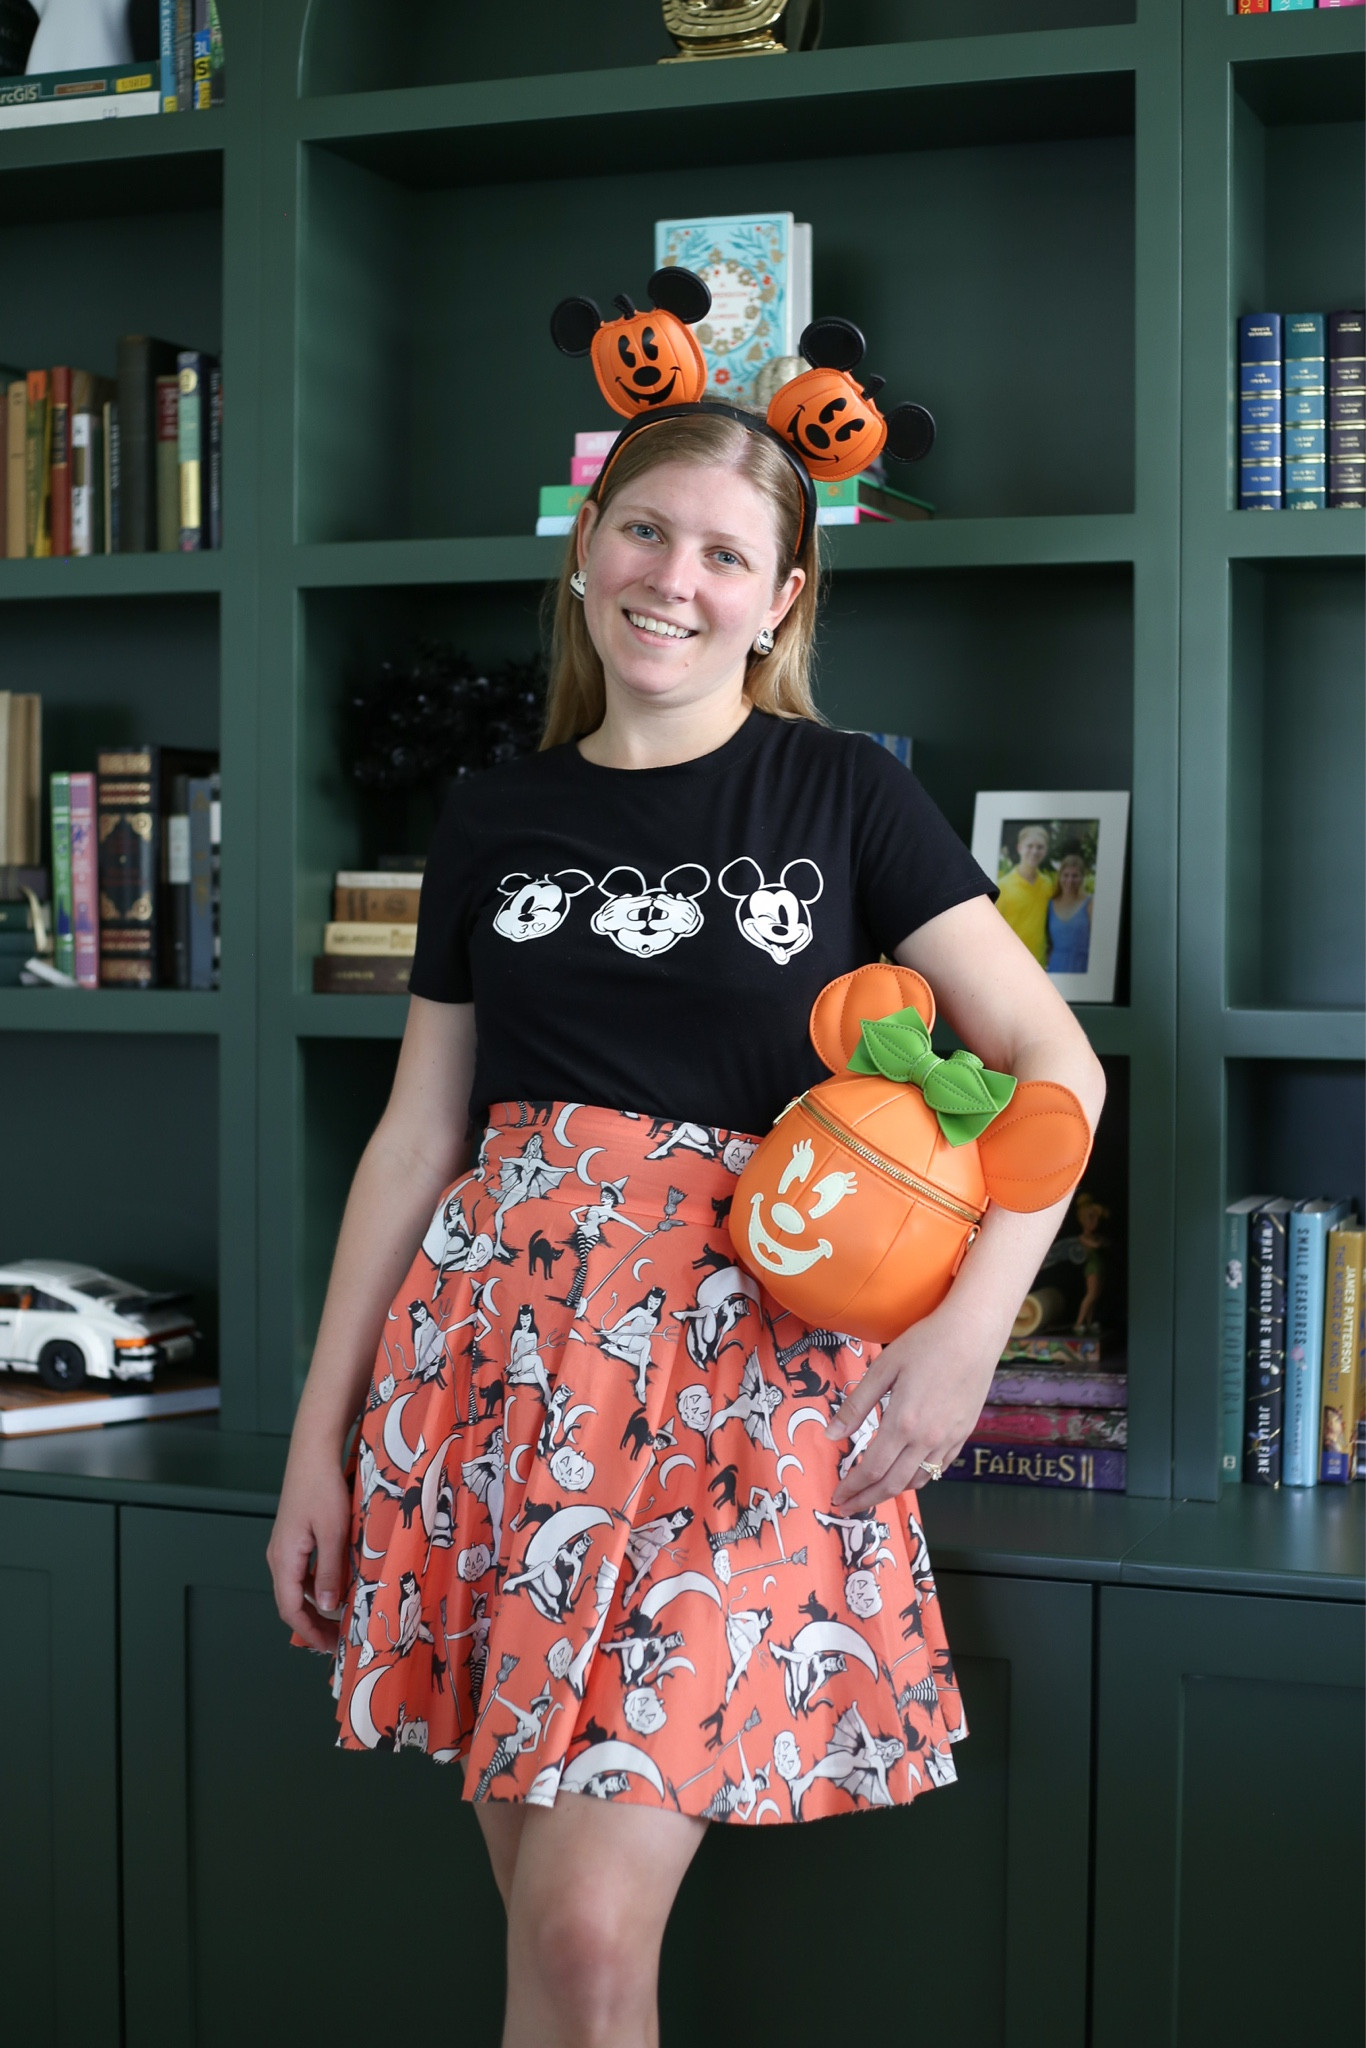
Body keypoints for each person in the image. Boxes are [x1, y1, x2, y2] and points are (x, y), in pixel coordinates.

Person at [268, 307, 1105, 2046]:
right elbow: (419, 1132)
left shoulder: (846, 797)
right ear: (587, 549)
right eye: (645, 530)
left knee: (578, 1933)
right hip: (485, 1383)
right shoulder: (494, 811)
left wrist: (967, 1338)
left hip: (733, 1400)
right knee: (557, 1946)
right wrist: (317, 1442)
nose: (675, 575)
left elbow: (1061, 1067)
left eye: (728, 552)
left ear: (783, 599)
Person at [995, 821, 1055, 966]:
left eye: (1040, 847)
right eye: (1030, 846)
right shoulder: (1003, 886)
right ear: (1019, 848)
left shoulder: (1048, 884)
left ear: (1046, 851)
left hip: (1039, 965)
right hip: (1009, 963)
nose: (1034, 851)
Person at [1045, 847, 1094, 976]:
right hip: (1055, 968)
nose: (1070, 880)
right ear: (1060, 876)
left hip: (1083, 970)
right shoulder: (1050, 904)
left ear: (1083, 877)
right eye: (1066, 875)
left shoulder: (1090, 903)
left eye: (1075, 876)